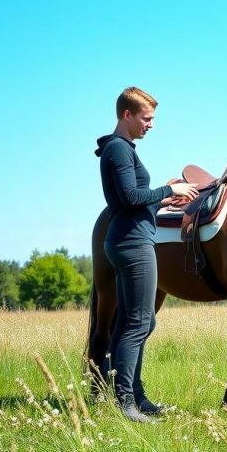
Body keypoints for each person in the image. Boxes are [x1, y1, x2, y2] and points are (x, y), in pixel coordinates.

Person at [95, 87, 198, 423]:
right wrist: (171, 189)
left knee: (133, 321)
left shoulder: (121, 149)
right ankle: (126, 402)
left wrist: (160, 202)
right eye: (146, 118)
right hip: (133, 244)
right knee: (138, 322)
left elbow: (133, 201)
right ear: (127, 115)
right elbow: (127, 195)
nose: (150, 125)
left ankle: (134, 396)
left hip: (130, 237)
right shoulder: (119, 150)